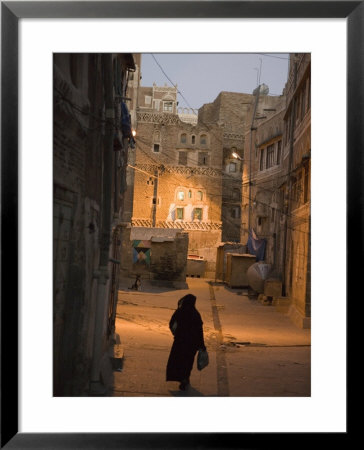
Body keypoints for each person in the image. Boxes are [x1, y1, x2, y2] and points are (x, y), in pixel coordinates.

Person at [166, 294, 206, 391]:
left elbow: (171, 323)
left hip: (179, 341)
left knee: (178, 360)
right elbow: (199, 332)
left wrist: (175, 333)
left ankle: (180, 378)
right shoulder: (196, 314)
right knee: (188, 362)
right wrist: (202, 346)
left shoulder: (180, 312)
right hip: (191, 345)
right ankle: (185, 378)